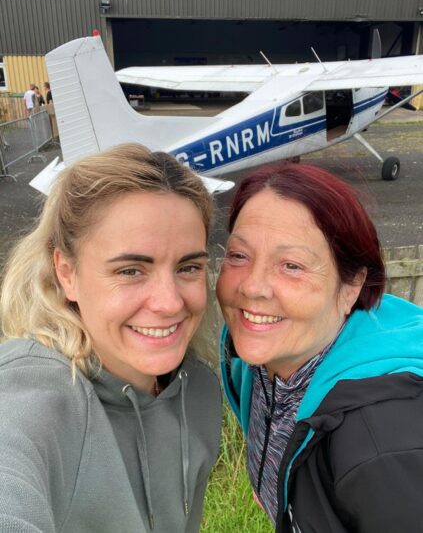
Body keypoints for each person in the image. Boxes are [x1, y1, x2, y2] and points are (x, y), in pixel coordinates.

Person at [0, 143, 221, 533]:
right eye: (131, 271)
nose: (170, 303)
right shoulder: (36, 392)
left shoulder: (198, 391)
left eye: (188, 266)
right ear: (66, 273)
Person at [217, 162, 423, 533]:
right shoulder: (259, 355)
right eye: (238, 255)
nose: (252, 287)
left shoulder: (381, 446)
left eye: (292, 265)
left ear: (351, 287)